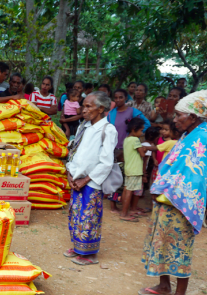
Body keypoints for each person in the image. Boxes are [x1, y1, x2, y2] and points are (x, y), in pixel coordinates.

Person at [139, 90, 207, 295]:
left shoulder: (201, 138)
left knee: (179, 246)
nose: (174, 120)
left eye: (179, 115)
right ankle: (164, 285)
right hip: (167, 199)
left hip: (181, 203)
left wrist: (165, 190)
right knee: (162, 242)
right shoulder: (189, 135)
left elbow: (196, 177)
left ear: (193, 117)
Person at [65, 91, 117, 266]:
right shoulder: (84, 126)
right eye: (83, 106)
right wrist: (70, 174)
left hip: (92, 182)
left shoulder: (107, 130)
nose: (83, 110)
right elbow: (75, 152)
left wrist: (85, 179)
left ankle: (90, 254)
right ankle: (78, 246)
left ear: (101, 109)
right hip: (77, 178)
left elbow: (106, 162)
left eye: (88, 106)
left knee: (89, 216)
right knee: (76, 214)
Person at [119, 118, 152, 222]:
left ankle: (124, 211)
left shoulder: (126, 139)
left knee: (126, 189)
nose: (142, 133)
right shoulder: (135, 140)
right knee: (129, 191)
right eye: (141, 130)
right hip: (135, 170)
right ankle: (124, 214)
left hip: (128, 168)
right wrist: (145, 149)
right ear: (134, 129)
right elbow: (142, 154)